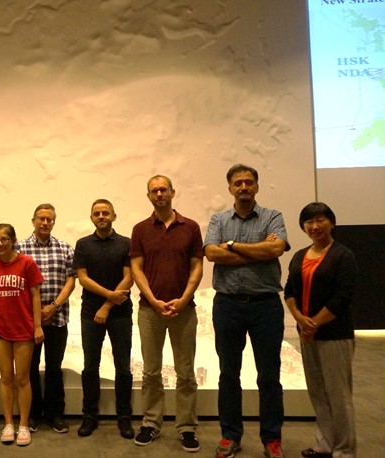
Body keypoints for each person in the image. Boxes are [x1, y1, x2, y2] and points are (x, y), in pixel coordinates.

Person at [204, 164, 290, 458]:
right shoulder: (218, 218)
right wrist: (257, 251)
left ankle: (272, 439)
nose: (243, 187)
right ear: (230, 188)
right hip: (228, 305)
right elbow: (212, 253)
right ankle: (230, 436)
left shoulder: (272, 216)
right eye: (238, 183)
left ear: (256, 186)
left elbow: (276, 250)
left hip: (266, 305)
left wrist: (233, 246)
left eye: (249, 182)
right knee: (229, 373)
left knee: (269, 375)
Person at [129, 176, 204, 452]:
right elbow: (136, 269)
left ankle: (186, 428)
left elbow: (197, 267)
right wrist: (154, 300)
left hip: (184, 311)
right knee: (150, 372)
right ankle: (150, 423)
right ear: (148, 196)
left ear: (173, 192)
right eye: (154, 191)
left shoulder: (191, 227)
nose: (159, 194)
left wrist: (183, 300)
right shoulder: (140, 229)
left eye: (164, 189)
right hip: (150, 311)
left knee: (186, 373)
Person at [284, 203, 357, 458]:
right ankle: (324, 445)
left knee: (339, 395)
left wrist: (313, 322)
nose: (314, 226)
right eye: (308, 222)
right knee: (318, 393)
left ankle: (344, 450)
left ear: (332, 223)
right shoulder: (299, 255)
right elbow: (289, 290)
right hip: (307, 334)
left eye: (320, 220)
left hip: (334, 335)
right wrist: (300, 319)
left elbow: (342, 297)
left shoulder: (342, 255)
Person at [73, 199, 135, 439]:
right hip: (90, 313)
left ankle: (124, 418)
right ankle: (89, 416)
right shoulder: (83, 244)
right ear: (91, 218)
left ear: (114, 216)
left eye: (105, 213)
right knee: (90, 367)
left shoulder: (126, 244)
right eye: (97, 213)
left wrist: (107, 305)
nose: (101, 216)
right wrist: (110, 295)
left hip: (119, 313)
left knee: (123, 368)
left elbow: (129, 278)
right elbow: (83, 279)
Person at [15, 203, 75, 434]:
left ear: (53, 222)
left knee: (53, 368)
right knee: (29, 369)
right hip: (28, 321)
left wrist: (53, 306)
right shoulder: (19, 249)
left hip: (58, 318)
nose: (45, 223)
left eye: (49, 219)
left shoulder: (65, 248)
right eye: (41, 218)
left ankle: (54, 414)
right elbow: (18, 284)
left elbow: (71, 280)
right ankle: (32, 415)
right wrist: (36, 312)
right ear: (33, 221)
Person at [0, 223, 44, 446]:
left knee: (22, 378)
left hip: (23, 329)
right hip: (0, 329)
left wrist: (37, 326)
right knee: (5, 377)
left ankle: (23, 424)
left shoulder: (26, 263)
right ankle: (8, 423)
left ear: (13, 240)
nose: (0, 243)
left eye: (4, 239)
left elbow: (35, 296)